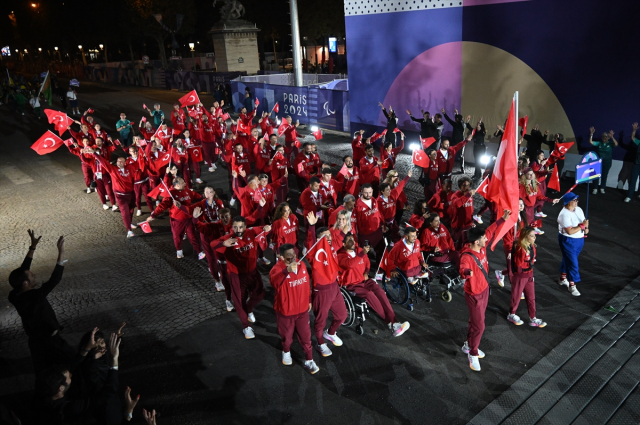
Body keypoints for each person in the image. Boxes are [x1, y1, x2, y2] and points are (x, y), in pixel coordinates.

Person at [8, 230, 75, 374]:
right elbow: (55, 279)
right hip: (51, 342)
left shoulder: (14, 295)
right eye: (32, 276)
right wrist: (61, 252)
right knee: (69, 364)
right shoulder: (35, 297)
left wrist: (33, 247)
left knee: (43, 371)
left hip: (35, 343)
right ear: (26, 283)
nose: (34, 275)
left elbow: (23, 271)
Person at [36, 333, 139, 424]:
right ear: (61, 388)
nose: (71, 375)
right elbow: (107, 393)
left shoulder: (46, 393)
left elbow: (72, 366)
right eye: (68, 377)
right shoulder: (69, 408)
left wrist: (87, 349)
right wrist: (114, 361)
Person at [459, 209, 510, 372]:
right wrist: (467, 273)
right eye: (483, 239)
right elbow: (462, 269)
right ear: (476, 242)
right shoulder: (467, 256)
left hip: (484, 290)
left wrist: (502, 219)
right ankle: (472, 353)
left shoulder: (481, 246)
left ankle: (468, 344)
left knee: (474, 322)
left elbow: (490, 230)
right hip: (474, 295)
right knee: (479, 326)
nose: (486, 239)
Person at [338, 233, 410, 336]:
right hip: (352, 285)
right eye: (349, 240)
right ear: (343, 244)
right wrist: (362, 253)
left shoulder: (359, 250)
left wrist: (366, 271)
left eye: (353, 240)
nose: (353, 242)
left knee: (380, 291)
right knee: (369, 295)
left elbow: (367, 262)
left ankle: (395, 322)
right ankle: (390, 323)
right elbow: (350, 264)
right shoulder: (340, 255)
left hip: (365, 280)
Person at [212, 216, 271, 339]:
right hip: (237, 276)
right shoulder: (229, 238)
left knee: (260, 293)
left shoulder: (250, 232)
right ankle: (246, 326)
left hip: (253, 272)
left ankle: (249, 309)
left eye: (240, 226)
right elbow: (213, 244)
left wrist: (267, 228)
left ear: (245, 226)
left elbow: (264, 228)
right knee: (239, 301)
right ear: (232, 227)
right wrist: (223, 243)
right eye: (235, 227)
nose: (238, 229)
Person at [269, 244, 320, 374]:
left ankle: (309, 360)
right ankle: (286, 352)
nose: (292, 257)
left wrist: (308, 300)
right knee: (287, 336)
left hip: (302, 310)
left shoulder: (301, 265)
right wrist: (286, 271)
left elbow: (306, 283)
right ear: (280, 256)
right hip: (286, 312)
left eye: (293, 253)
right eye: (288, 255)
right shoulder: (277, 269)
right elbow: (274, 282)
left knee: (306, 336)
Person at [307, 223, 347, 357]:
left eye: (329, 235)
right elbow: (310, 242)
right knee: (320, 320)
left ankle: (330, 333)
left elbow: (338, 241)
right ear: (318, 240)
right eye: (324, 237)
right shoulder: (314, 251)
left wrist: (344, 231)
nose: (328, 238)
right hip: (322, 291)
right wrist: (312, 226)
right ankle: (320, 343)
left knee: (342, 315)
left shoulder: (332, 248)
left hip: (334, 287)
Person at [147, 176, 204, 259]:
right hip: (177, 221)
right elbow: (162, 206)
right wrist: (153, 215)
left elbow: (193, 194)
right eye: (182, 182)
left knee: (193, 236)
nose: (185, 183)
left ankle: (199, 251)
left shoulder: (186, 189)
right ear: (177, 185)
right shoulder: (171, 195)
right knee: (177, 237)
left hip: (188, 218)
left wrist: (202, 197)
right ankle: (179, 250)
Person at [92, 150, 140, 237]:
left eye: (121, 161)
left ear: (125, 162)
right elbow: (103, 162)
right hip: (120, 195)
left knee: (131, 210)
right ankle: (129, 230)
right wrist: (94, 153)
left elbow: (140, 160)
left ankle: (129, 223)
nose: (119, 162)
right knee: (125, 212)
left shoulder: (130, 167)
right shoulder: (113, 169)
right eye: (118, 161)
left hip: (130, 193)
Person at [506, 227, 547, 328]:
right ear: (525, 237)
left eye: (534, 235)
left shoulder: (532, 246)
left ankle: (533, 318)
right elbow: (519, 266)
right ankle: (511, 314)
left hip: (529, 275)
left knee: (531, 297)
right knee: (516, 296)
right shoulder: (520, 248)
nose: (534, 238)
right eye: (532, 236)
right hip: (521, 277)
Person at [557, 193, 588, 296]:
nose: (577, 202)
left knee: (568, 259)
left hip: (579, 239)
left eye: (576, 200)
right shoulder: (563, 214)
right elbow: (570, 231)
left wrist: (586, 228)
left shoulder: (579, 209)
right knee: (573, 263)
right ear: (569, 202)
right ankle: (572, 285)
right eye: (574, 200)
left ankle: (562, 278)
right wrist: (583, 226)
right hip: (568, 240)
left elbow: (584, 222)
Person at [519, 168, 560, 234]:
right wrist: (527, 205)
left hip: (531, 208)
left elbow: (540, 196)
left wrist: (552, 200)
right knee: (525, 224)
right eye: (529, 174)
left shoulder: (534, 184)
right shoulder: (522, 186)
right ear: (524, 176)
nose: (531, 176)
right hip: (525, 208)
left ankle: (532, 231)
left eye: (532, 174)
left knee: (530, 221)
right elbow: (521, 198)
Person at [355, 184, 387, 265]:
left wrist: (382, 223)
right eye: (366, 193)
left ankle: (380, 268)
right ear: (361, 192)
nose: (368, 195)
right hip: (366, 235)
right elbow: (357, 222)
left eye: (370, 192)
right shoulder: (358, 206)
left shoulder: (374, 200)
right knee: (364, 253)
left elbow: (378, 213)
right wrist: (362, 232)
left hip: (377, 232)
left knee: (381, 251)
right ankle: (366, 269)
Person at [378, 169, 411, 243]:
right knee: (385, 236)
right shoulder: (379, 201)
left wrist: (408, 177)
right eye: (388, 190)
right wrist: (383, 224)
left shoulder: (393, 192)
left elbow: (401, 187)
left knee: (395, 233)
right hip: (385, 223)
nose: (390, 191)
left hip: (394, 218)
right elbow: (380, 214)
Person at [587, 127, 618, 194]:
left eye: (606, 137)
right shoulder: (599, 143)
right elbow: (591, 142)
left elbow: (616, 144)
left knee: (604, 175)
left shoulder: (610, 144)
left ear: (608, 138)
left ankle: (602, 188)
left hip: (607, 162)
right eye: (603, 137)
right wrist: (591, 134)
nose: (604, 138)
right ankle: (595, 188)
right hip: (598, 162)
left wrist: (612, 137)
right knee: (596, 175)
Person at [450, 176, 477, 249]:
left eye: (468, 185)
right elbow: (457, 204)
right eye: (464, 185)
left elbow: (471, 210)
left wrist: (472, 221)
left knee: (467, 244)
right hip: (459, 226)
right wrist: (468, 195)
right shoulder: (455, 196)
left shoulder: (470, 195)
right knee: (458, 245)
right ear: (460, 186)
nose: (466, 187)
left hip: (468, 225)